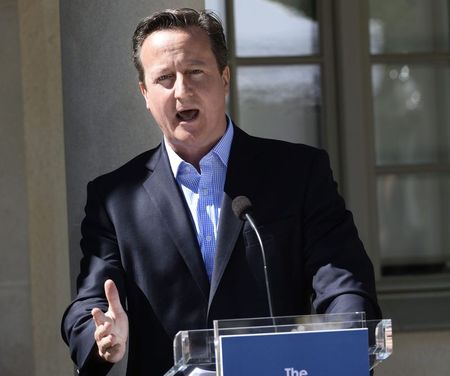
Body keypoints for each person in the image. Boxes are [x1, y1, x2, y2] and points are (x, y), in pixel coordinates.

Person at [61, 8, 381, 376]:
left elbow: (343, 283)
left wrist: (341, 345)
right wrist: (102, 337)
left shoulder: (298, 173)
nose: (182, 90)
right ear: (145, 93)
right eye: (164, 78)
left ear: (224, 77)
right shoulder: (114, 198)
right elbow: (89, 306)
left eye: (195, 72)